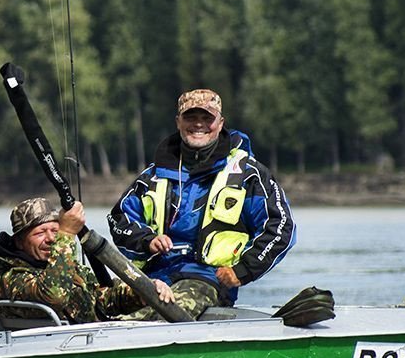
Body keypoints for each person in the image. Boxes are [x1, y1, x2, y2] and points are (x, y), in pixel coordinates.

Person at [108, 89, 295, 316]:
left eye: (207, 118)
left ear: (220, 122)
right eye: (191, 117)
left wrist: (243, 270)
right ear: (178, 122)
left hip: (206, 280)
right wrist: (147, 240)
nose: (199, 125)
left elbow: (281, 227)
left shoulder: (248, 173)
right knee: (91, 303)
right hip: (152, 278)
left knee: (160, 316)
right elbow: (120, 218)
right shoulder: (154, 174)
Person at [0, 197, 173, 324]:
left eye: (55, 230)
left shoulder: (66, 268)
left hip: (84, 343)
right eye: (40, 232)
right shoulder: (10, 278)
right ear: (19, 243)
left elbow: (103, 299)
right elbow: (54, 296)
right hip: (46, 354)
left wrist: (143, 290)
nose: (51, 239)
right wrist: (67, 233)